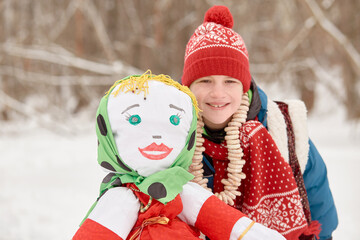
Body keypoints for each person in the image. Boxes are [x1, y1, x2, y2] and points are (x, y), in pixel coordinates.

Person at [181, 5, 338, 240]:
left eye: (230, 82)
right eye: (205, 80)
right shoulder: (170, 133)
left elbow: (319, 209)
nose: (218, 93)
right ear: (188, 86)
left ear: (244, 85)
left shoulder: (283, 129)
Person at [73, 71, 286, 240]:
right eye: (135, 120)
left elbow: (228, 224)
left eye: (175, 122)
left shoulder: (183, 191)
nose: (157, 137)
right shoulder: (120, 200)